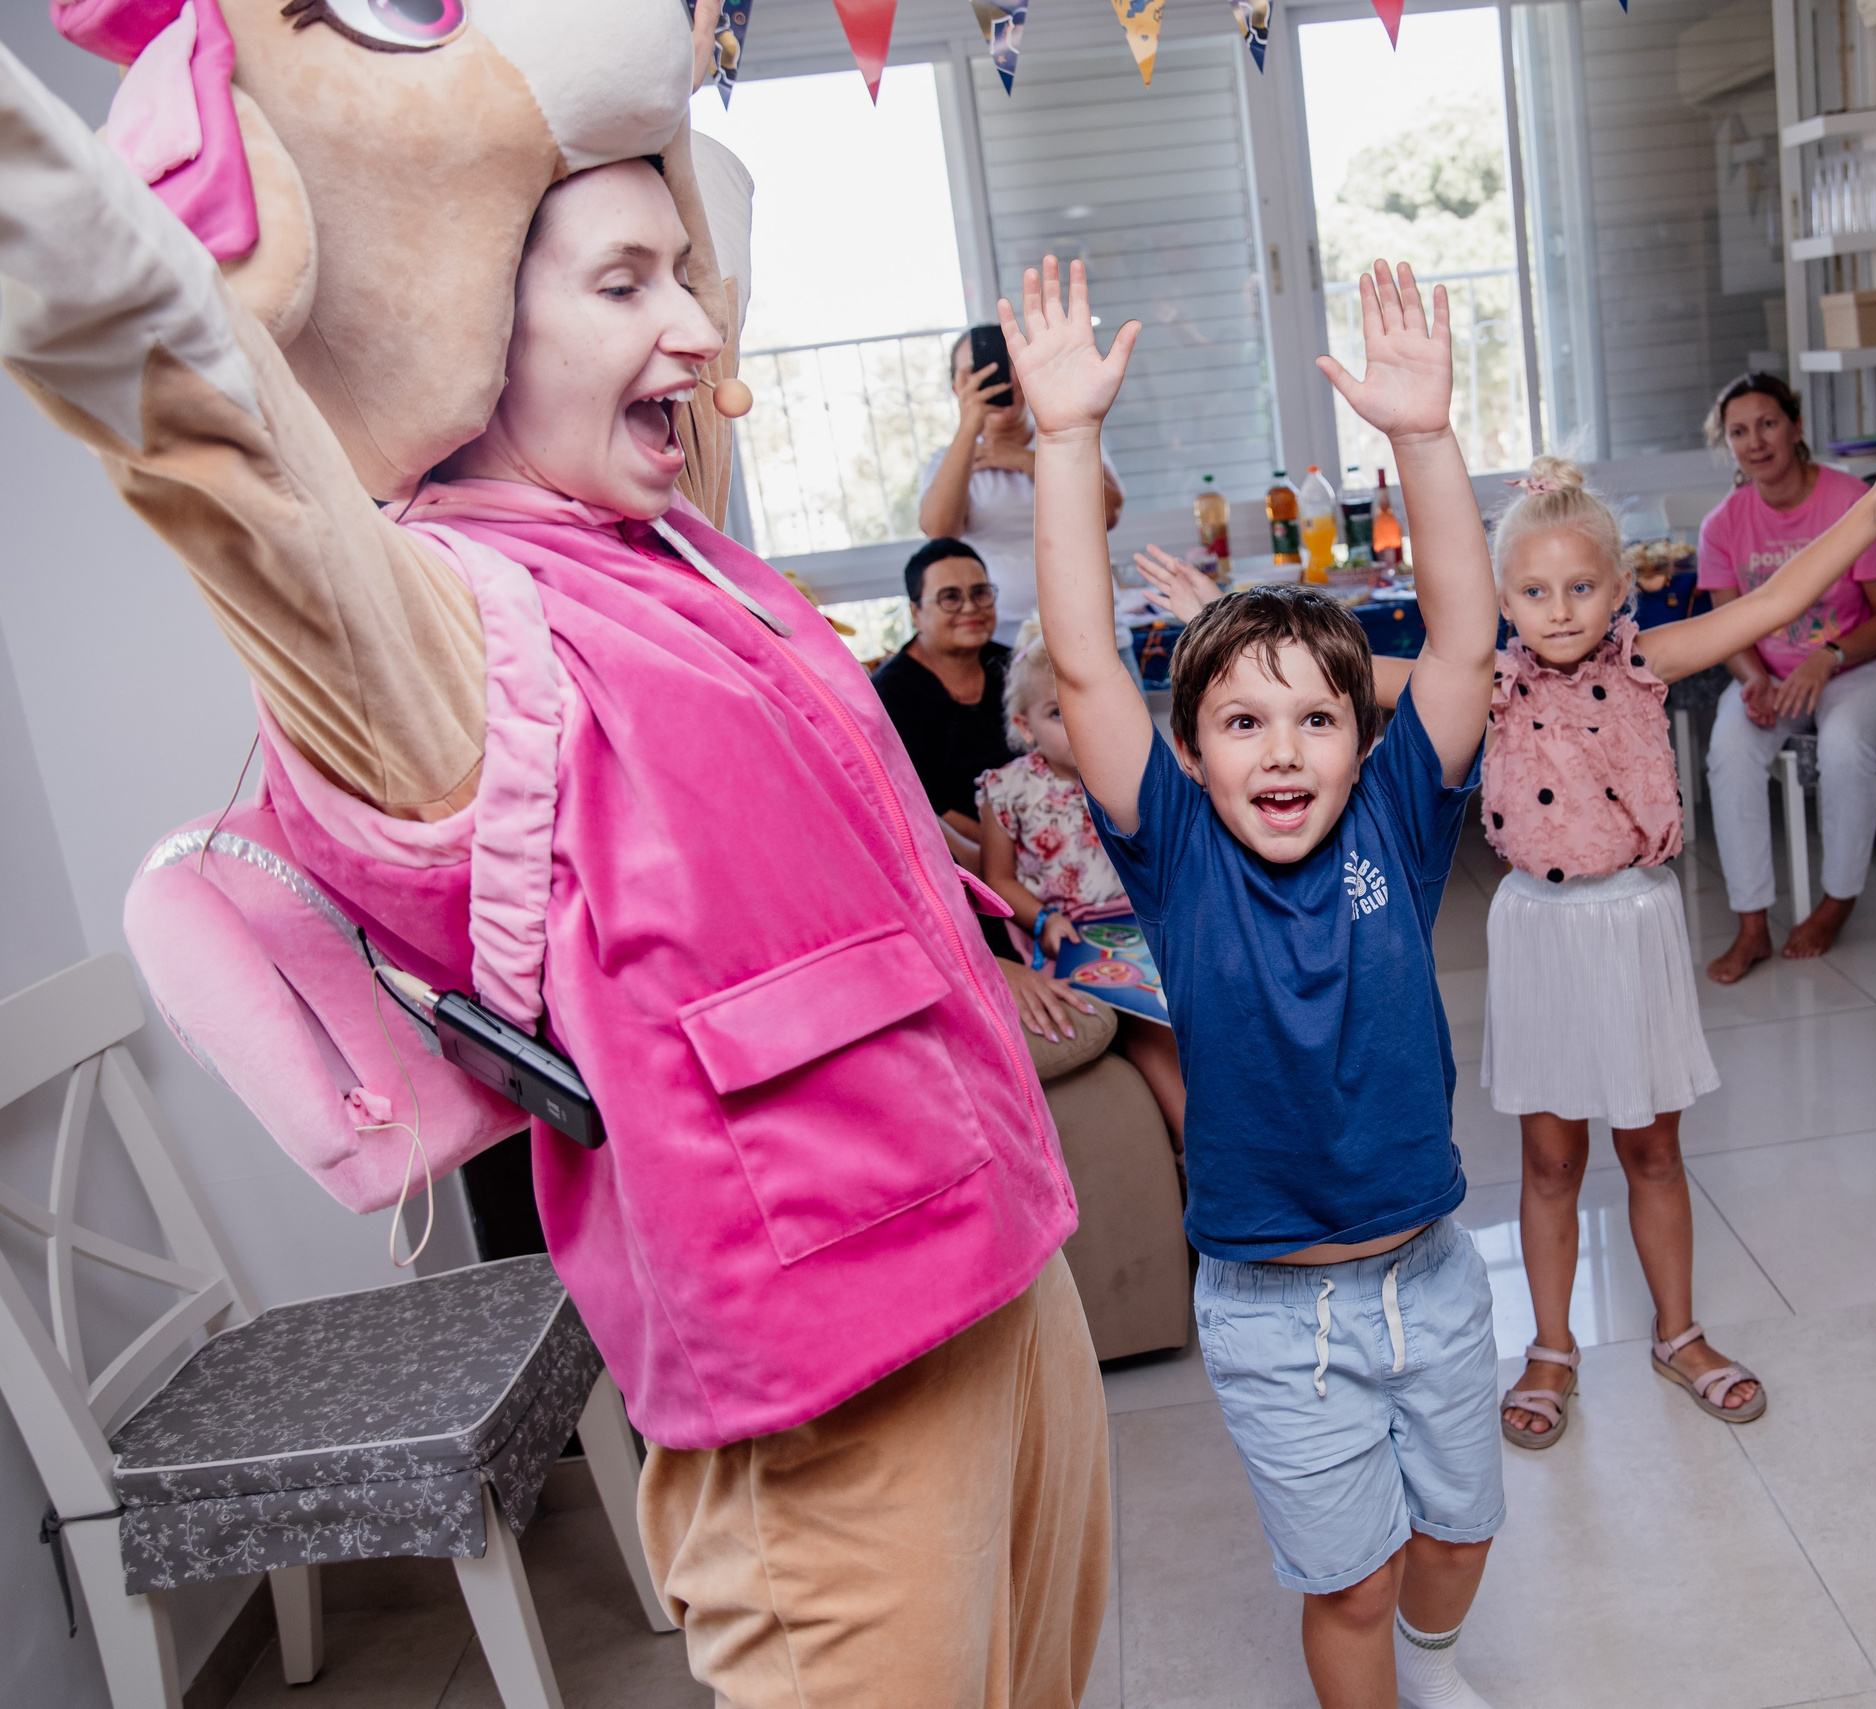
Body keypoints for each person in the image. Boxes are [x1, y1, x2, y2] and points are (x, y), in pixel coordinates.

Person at [0, 21, 1108, 1703]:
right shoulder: (440, 635)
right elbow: (199, 433)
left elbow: (689, 190)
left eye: (686, 274)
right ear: (453, 330)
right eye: (623, 285)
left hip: (1014, 1287)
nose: (699, 324)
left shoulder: (675, 546)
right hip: (830, 1400)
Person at [1013, 253, 1505, 1709]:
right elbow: (1092, 667)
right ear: (1195, 748)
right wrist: (1061, 441)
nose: (1280, 749)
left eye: (1313, 719)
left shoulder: (1398, 824)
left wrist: (1422, 438)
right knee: (1344, 1580)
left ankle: (1432, 1662)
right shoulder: (1173, 849)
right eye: (1239, 720)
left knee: (1456, 1545)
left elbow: (1468, 639)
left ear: (1366, 742)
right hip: (1275, 1310)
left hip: (1433, 1279)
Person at [1470, 438, 1876, 1450]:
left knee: (1654, 1147)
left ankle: (1676, 1330)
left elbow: (1771, 606)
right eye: (1535, 590)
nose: (1558, 608)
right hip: (1537, 931)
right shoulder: (1489, 682)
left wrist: (1873, 509)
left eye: (1580, 585)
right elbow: (1351, 673)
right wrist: (1219, 620)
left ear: (1617, 588)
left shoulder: (1644, 660)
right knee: (1547, 1160)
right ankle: (1550, 1346)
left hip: (1633, 921)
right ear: (1502, 598)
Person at [1698, 372, 1876, 979]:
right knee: (1729, 747)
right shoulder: (1722, 524)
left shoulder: (1853, 501)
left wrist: (1830, 656)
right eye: (1738, 431)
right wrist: (1751, 679)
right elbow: (1729, 630)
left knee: (1846, 742)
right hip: (1773, 677)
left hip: (1865, 668)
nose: (1755, 441)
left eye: (1767, 424)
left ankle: (1837, 901)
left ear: (1795, 427)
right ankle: (1751, 926)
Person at [978, 620, 1187, 1145]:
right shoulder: (1007, 790)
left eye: (1081, 706)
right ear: (1025, 726)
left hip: (1141, 917)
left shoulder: (1125, 771)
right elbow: (997, 878)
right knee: (1148, 1030)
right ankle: (1197, 1150)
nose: (1075, 723)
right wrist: (1044, 919)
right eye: (1056, 712)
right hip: (1071, 933)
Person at [918, 325, 1127, 653]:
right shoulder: (950, 460)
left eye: (1009, 364)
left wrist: (1025, 460)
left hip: (1094, 631)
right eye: (976, 372)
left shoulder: (1067, 434)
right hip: (1002, 640)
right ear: (957, 388)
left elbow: (1110, 512)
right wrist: (971, 424)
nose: (999, 379)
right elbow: (940, 531)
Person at [871, 538, 1015, 861]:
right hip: (949, 853)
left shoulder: (1014, 667)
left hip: (1034, 836)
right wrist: (1007, 851)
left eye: (980, 592)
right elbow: (925, 803)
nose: (970, 607)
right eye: (950, 597)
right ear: (915, 613)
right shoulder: (890, 692)